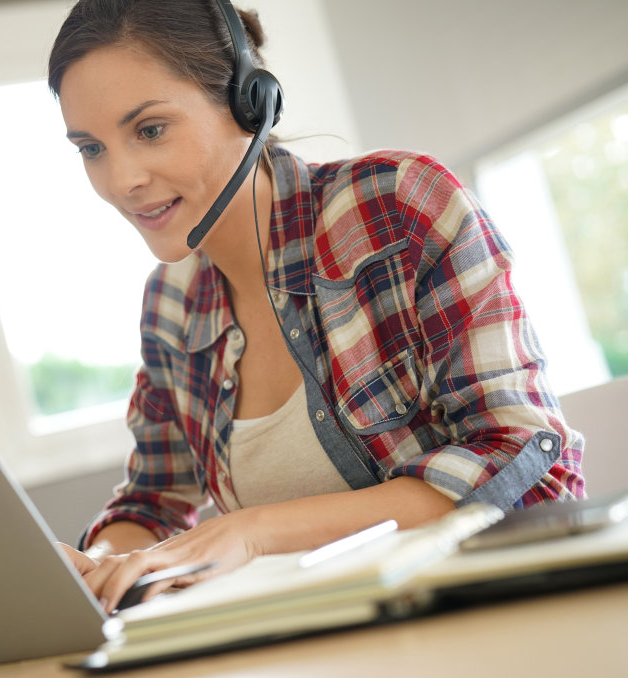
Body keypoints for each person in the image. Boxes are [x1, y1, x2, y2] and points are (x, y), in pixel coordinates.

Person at [46, 0, 585, 614]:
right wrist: (102, 563)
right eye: (91, 148)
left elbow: (520, 454)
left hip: (499, 614)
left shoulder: (396, 207)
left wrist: (254, 533)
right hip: (320, 637)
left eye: (149, 130)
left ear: (249, 103)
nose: (121, 181)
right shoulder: (171, 303)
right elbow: (151, 502)